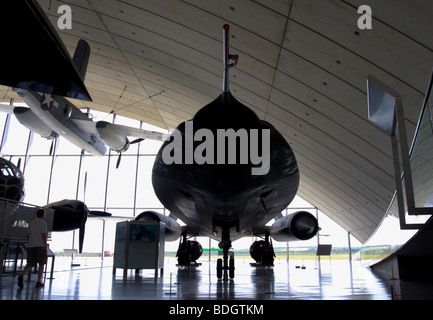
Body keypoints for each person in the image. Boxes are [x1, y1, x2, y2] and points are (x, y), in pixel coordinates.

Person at [18, 208, 48, 288]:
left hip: (31, 245)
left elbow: (28, 235)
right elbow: (43, 236)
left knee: (30, 263)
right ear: (43, 215)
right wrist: (45, 246)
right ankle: (38, 282)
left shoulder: (31, 223)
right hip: (40, 245)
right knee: (41, 264)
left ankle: (22, 275)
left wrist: (31, 241)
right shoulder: (43, 223)